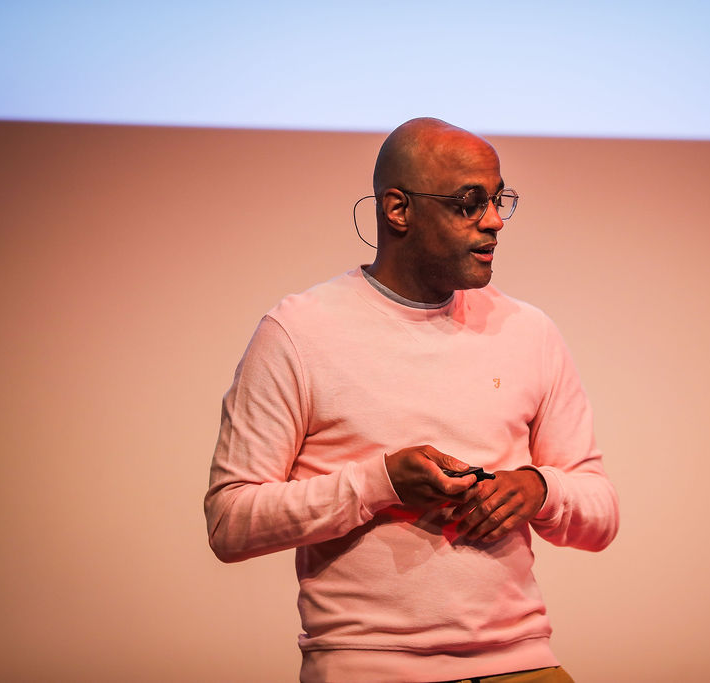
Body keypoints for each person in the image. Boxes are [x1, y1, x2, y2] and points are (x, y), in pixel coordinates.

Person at [204, 117, 619, 682]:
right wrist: (381, 484)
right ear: (398, 210)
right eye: (469, 203)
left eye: (498, 200)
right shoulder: (299, 332)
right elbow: (230, 522)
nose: (494, 221)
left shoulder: (529, 331)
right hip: (368, 666)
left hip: (523, 661)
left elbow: (600, 516)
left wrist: (538, 489)